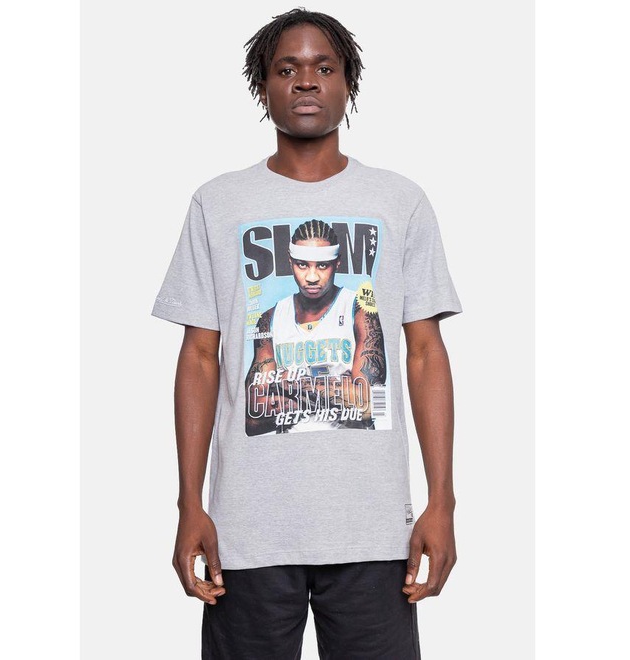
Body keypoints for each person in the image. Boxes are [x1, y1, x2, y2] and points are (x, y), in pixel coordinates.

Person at [151, 7, 462, 659]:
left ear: (348, 82)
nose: (306, 81)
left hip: (372, 529)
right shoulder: (218, 203)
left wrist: (442, 502)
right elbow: (200, 358)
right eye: (286, 68)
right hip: (247, 530)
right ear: (263, 86)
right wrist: (189, 505)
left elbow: (425, 354)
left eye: (324, 67)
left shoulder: (398, 201)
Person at [245, 218, 387, 435]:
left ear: (337, 262)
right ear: (290, 261)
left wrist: (288, 384)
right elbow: (250, 417)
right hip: (287, 452)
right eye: (302, 265)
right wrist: (338, 390)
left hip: (352, 449)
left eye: (322, 265)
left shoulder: (359, 309)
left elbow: (370, 404)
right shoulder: (271, 318)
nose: (312, 277)